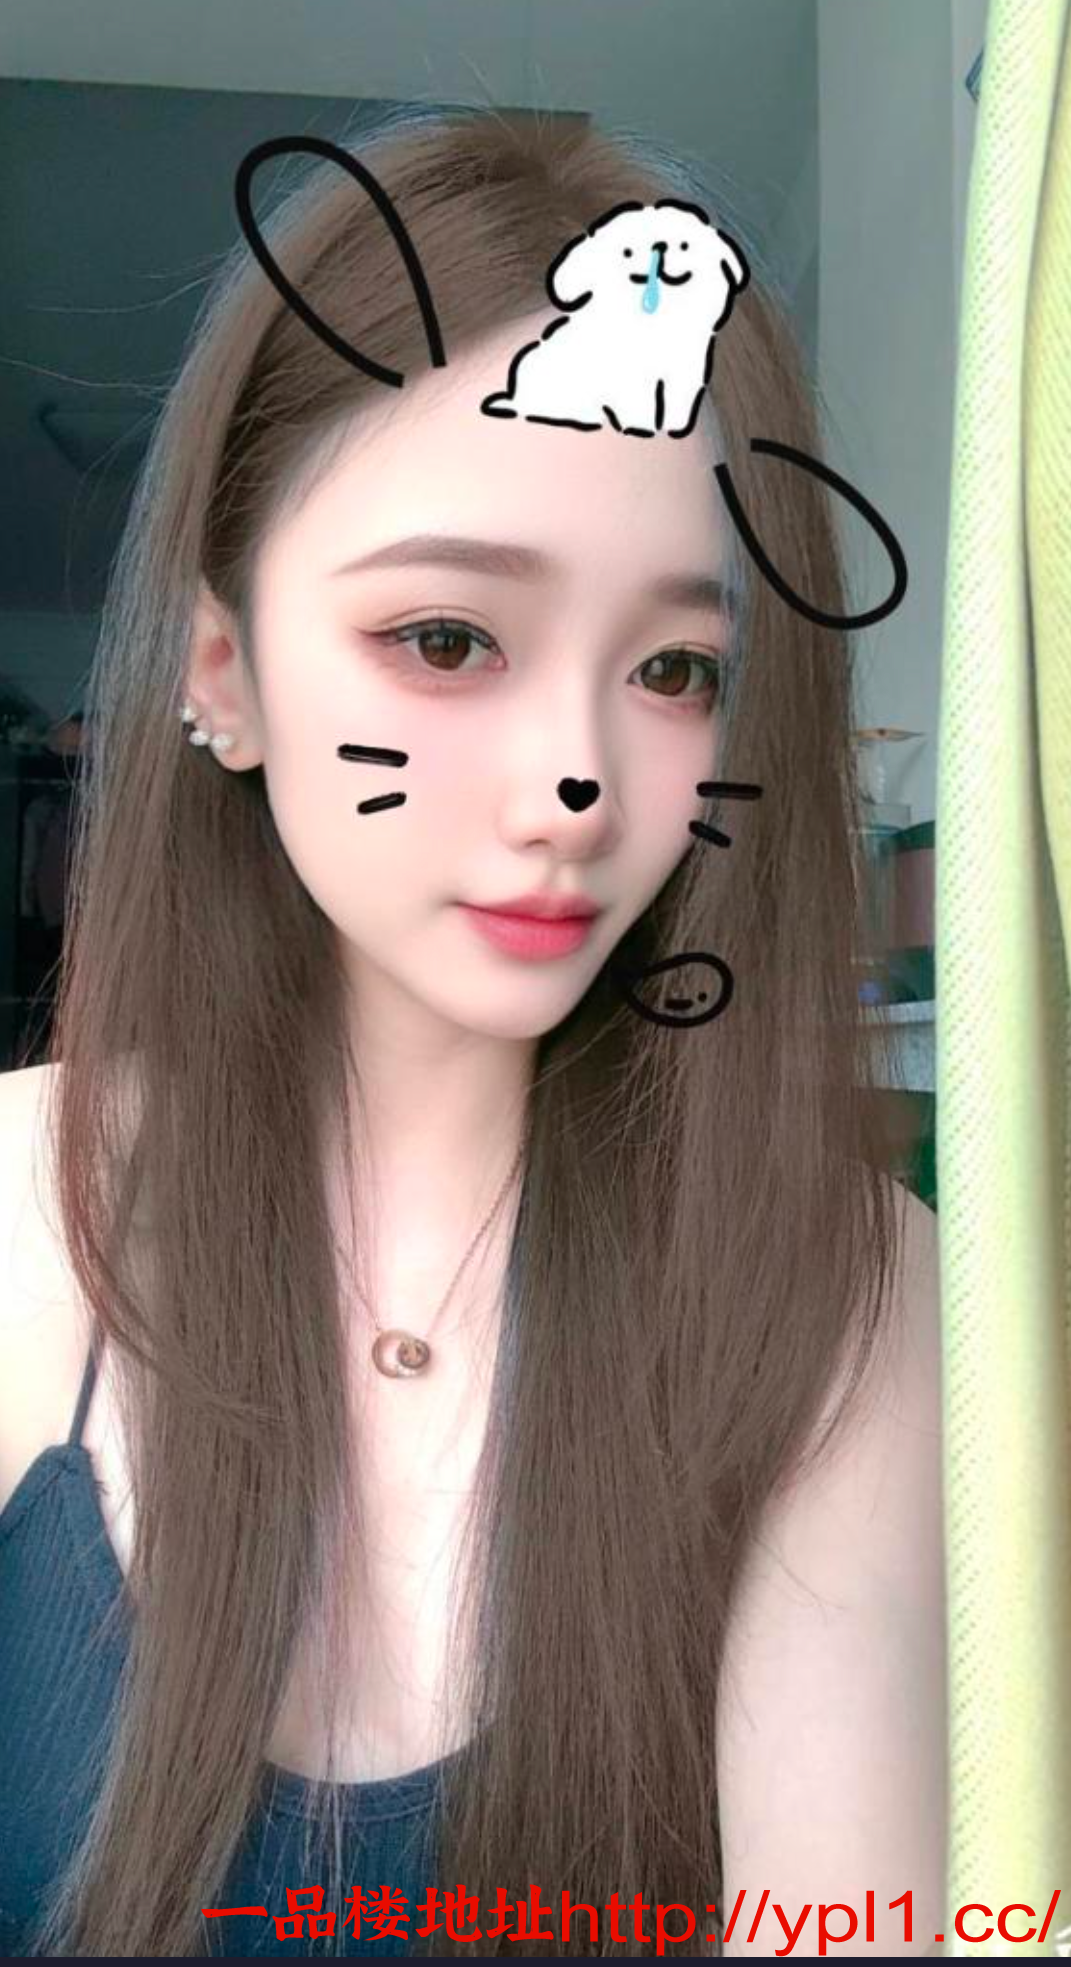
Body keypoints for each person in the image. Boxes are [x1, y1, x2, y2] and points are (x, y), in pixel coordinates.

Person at [0, 106, 944, 1957]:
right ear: (223, 670)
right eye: (446, 639)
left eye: (672, 668)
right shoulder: (15, 1215)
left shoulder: (839, 1295)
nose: (573, 782)